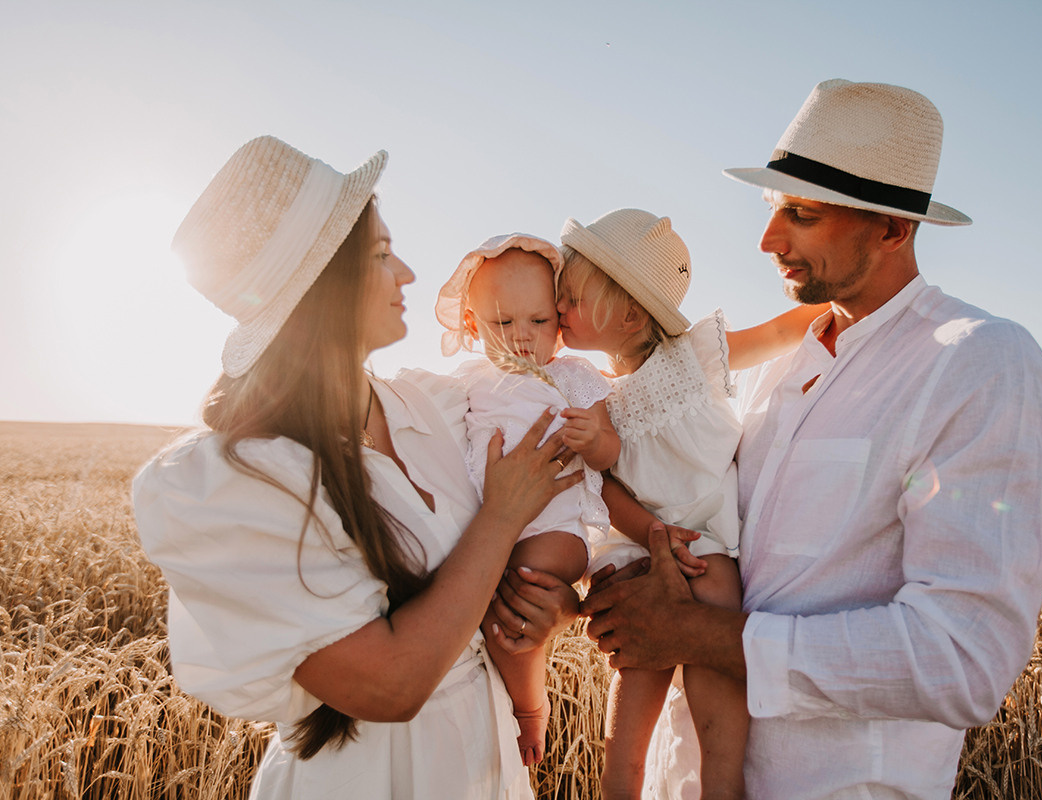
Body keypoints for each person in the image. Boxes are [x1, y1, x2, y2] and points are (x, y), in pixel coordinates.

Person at [582, 79, 1042, 799]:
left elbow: (962, 658)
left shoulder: (977, 360)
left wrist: (692, 635)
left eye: (802, 215)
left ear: (894, 228)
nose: (767, 240)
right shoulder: (771, 369)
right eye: (774, 210)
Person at [132, 136, 581, 799]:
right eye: (379, 254)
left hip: (486, 765)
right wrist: (502, 514)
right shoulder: (230, 479)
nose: (407, 273)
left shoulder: (437, 404)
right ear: (320, 284)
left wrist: (550, 607)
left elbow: (526, 549)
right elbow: (390, 685)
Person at [556, 208, 824, 799]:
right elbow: (607, 488)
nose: (557, 310)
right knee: (632, 701)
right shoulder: (590, 393)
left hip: (706, 540)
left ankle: (720, 784)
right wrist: (655, 534)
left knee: (716, 645)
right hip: (640, 550)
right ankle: (618, 785)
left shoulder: (695, 355)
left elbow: (779, 334)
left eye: (570, 297)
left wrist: (836, 310)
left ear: (629, 314)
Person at [433, 232, 621, 766]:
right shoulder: (470, 381)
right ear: (472, 325)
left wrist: (596, 440)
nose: (521, 338)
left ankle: (530, 707)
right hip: (492, 523)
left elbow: (610, 454)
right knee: (484, 595)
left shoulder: (574, 377)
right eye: (502, 323)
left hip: (558, 528)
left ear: (559, 319)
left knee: (522, 588)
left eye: (538, 322)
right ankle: (510, 696)